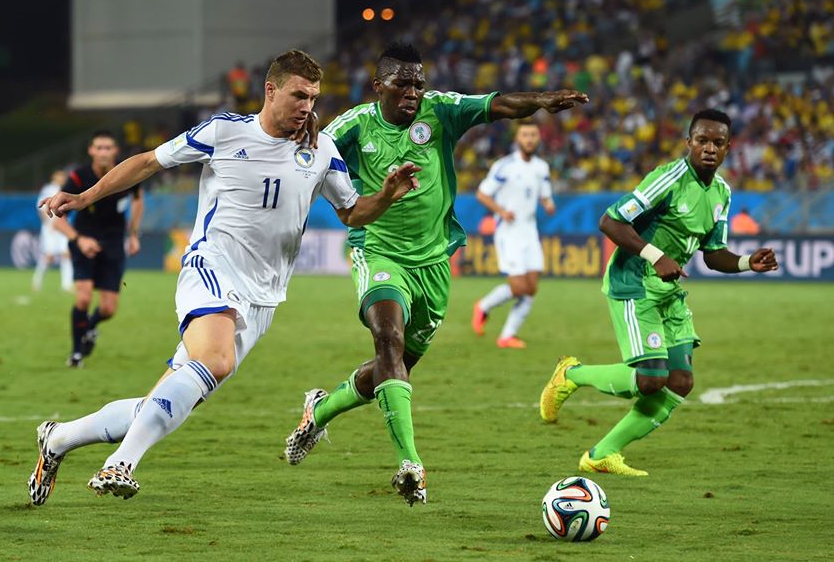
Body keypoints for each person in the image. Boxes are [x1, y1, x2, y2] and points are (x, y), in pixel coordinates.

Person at [28, 49, 419, 505]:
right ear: (270, 91)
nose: (307, 107)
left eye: (313, 98)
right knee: (215, 359)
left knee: (162, 403)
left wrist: (388, 193)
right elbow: (149, 162)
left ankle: (57, 439)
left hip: (263, 297)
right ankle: (121, 464)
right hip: (211, 267)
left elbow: (353, 211)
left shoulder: (321, 150)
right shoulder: (224, 132)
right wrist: (86, 197)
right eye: (298, 95)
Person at [284, 41, 588, 506]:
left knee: (394, 368)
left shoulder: (442, 111)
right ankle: (411, 464)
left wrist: (541, 102)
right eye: (402, 83)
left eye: (418, 82)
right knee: (388, 339)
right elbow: (306, 154)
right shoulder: (354, 125)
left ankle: (319, 410)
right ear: (378, 87)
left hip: (433, 263)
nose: (412, 91)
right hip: (379, 251)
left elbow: (497, 104)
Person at [539, 109, 779, 476]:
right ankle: (572, 374)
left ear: (729, 148)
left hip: (668, 291)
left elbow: (714, 255)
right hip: (634, 282)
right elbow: (610, 221)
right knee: (651, 379)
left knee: (680, 381)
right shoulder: (668, 178)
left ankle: (602, 453)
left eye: (717, 142)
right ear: (689, 143)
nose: (709, 148)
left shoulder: (721, 193)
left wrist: (748, 262)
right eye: (702, 140)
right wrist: (655, 255)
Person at [51, 130, 144, 368]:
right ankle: (76, 353)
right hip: (84, 240)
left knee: (108, 308)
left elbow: (137, 199)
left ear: (116, 151)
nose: (103, 152)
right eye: (99, 148)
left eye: (108, 148)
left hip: (113, 242)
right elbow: (57, 221)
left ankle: (90, 327)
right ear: (91, 151)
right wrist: (80, 239)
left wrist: (133, 234)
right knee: (82, 298)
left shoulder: (127, 173)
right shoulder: (78, 177)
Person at [471, 120, 556, 348]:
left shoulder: (541, 167)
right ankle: (484, 306)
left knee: (531, 288)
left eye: (533, 135)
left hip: (530, 231)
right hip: (509, 233)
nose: (529, 139)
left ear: (538, 139)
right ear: (518, 139)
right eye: (525, 135)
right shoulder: (504, 166)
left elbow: (545, 194)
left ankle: (507, 335)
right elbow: (482, 193)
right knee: (519, 287)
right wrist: (500, 211)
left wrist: (548, 204)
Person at [32, 170, 74, 292]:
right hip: (51, 227)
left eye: (63, 176)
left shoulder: (67, 188)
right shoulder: (48, 189)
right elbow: (41, 208)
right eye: (59, 176)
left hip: (64, 225)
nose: (61, 178)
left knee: (66, 254)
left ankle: (66, 284)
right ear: (54, 177)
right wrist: (48, 223)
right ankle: (37, 280)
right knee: (49, 256)